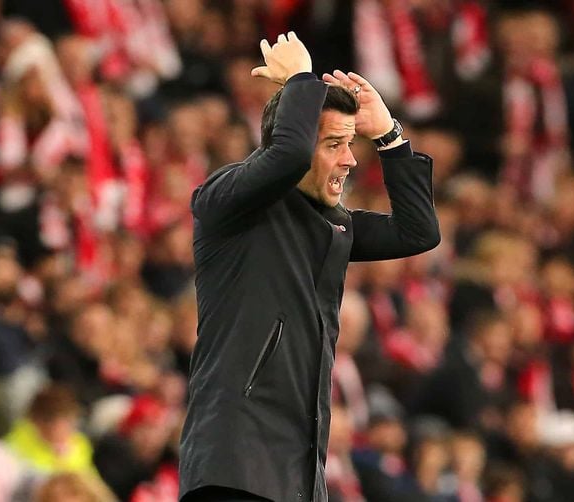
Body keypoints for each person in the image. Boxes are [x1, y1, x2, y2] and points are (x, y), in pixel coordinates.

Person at [179, 32, 440, 502]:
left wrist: (389, 134)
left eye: (351, 142)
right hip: (233, 465)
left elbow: (418, 232)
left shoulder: (333, 227)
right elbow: (287, 158)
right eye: (334, 144)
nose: (350, 159)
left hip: (298, 477)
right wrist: (300, 79)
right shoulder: (227, 203)